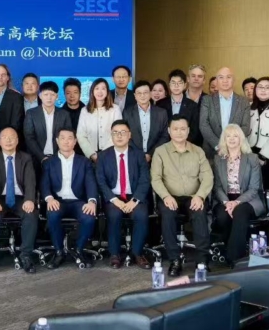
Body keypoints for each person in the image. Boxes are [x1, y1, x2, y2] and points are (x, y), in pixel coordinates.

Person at [151, 115, 213, 276]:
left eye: (183, 129)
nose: (179, 132)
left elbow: (207, 176)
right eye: (175, 129)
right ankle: (174, 259)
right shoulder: (160, 152)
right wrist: (166, 196)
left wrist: (200, 196)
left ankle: (202, 260)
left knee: (199, 212)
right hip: (170, 196)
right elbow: (155, 178)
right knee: (167, 213)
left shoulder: (198, 151)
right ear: (169, 131)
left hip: (193, 196)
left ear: (188, 131)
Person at [96, 119, 151, 269]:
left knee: (141, 215)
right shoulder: (103, 156)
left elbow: (145, 180)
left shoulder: (138, 155)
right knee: (114, 215)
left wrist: (135, 200)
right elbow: (101, 181)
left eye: (123, 132)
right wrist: (115, 200)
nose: (119, 136)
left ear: (129, 135)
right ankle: (114, 254)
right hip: (113, 197)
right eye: (115, 133)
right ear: (111, 135)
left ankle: (137, 253)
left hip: (134, 196)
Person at [0, 127, 38, 274]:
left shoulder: (25, 158)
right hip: (0, 198)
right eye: (5, 137)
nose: (8, 140)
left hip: (20, 198)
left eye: (12, 137)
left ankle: (26, 255)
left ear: (17, 141)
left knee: (31, 214)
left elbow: (30, 181)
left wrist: (29, 199)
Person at [41, 128, 97, 269]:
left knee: (89, 217)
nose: (66, 141)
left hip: (78, 201)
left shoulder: (84, 162)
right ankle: (59, 251)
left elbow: (91, 183)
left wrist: (92, 201)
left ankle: (79, 249)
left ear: (75, 141)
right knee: (52, 215)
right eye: (63, 138)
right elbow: (44, 184)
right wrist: (49, 198)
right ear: (57, 141)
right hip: (58, 201)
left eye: (70, 138)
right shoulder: (49, 162)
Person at [212, 124, 264, 267]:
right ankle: (228, 248)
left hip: (248, 199)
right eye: (228, 136)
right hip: (225, 199)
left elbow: (254, 188)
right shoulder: (218, 159)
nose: (232, 139)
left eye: (235, 136)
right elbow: (217, 187)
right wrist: (227, 202)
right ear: (224, 139)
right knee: (222, 216)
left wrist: (236, 202)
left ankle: (234, 258)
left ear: (241, 139)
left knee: (239, 212)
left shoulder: (252, 158)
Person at [199, 67, 253, 160]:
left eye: (228, 77)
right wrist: (219, 146)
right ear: (216, 81)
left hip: (236, 151)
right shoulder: (207, 100)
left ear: (234, 80)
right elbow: (204, 125)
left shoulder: (243, 101)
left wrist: (231, 145)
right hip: (212, 150)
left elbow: (245, 126)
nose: (225, 80)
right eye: (221, 77)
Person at [24, 81, 72, 164]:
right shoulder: (31, 113)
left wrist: (59, 156)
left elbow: (67, 136)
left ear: (56, 96)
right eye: (46, 94)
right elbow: (29, 138)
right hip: (36, 158)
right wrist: (42, 157)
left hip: (59, 158)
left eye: (52, 95)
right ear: (40, 96)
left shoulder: (64, 114)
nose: (49, 98)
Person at [77, 78, 123, 162]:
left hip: (110, 155)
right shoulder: (85, 110)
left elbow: (117, 132)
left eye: (103, 88)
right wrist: (92, 154)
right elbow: (81, 135)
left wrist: (104, 154)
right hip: (90, 156)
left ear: (107, 91)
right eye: (97, 88)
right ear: (92, 91)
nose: (100, 91)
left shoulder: (115, 109)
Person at [123, 80, 170, 163]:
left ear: (150, 94)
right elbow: (125, 134)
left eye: (145, 92)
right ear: (135, 96)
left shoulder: (161, 113)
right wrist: (139, 154)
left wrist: (150, 154)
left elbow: (165, 136)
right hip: (133, 156)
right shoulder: (127, 112)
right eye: (139, 93)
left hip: (156, 157)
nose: (142, 96)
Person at [156, 69, 202, 147]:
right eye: (173, 83)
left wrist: (181, 144)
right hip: (164, 146)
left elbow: (194, 131)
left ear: (185, 85)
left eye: (179, 83)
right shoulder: (160, 104)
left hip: (186, 146)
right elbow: (158, 129)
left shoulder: (193, 105)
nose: (176, 86)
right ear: (169, 84)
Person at [60, 78, 86, 152]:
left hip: (85, 152)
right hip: (65, 152)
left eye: (75, 92)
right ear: (64, 94)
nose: (72, 96)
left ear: (80, 93)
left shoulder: (88, 112)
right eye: (68, 93)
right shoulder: (59, 113)